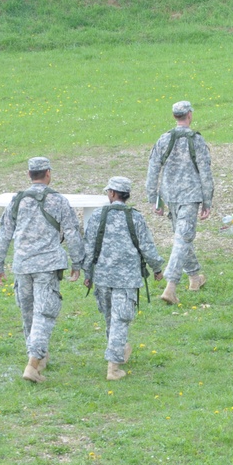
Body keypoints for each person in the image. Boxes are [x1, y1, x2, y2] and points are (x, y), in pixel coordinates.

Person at [0, 157, 85, 383]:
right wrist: (78, 263)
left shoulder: (17, 200)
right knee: (44, 314)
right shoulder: (59, 201)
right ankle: (33, 364)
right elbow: (72, 233)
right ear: (48, 174)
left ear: (29, 175)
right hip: (48, 265)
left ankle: (39, 357)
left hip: (22, 265)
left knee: (28, 313)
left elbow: (4, 233)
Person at [83, 177, 165, 381]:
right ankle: (113, 367)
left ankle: (117, 351)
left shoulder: (97, 216)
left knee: (110, 317)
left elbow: (88, 246)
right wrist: (157, 268)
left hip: (102, 276)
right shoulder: (135, 217)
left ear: (112, 193)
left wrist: (87, 274)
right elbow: (147, 246)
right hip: (127, 279)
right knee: (120, 320)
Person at [145, 100, 214, 305]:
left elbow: (152, 170)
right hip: (190, 196)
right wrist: (207, 202)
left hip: (170, 196)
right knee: (182, 239)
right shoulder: (197, 141)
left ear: (175, 116)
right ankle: (171, 286)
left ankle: (194, 278)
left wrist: (154, 199)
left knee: (182, 237)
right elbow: (206, 173)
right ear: (190, 115)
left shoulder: (164, 139)